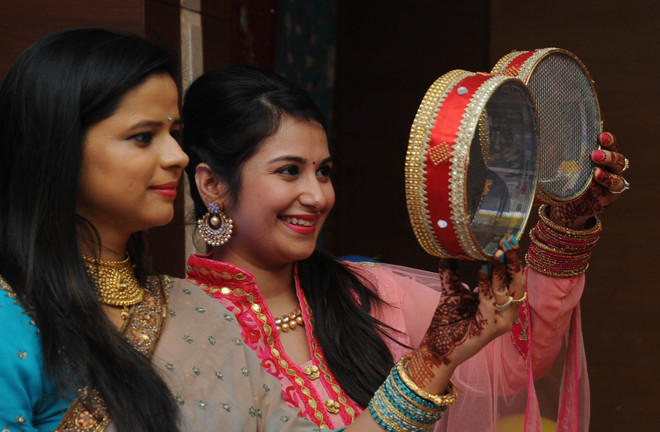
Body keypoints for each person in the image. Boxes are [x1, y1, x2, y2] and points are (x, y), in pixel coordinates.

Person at [0, 28, 525, 432]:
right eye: (142, 137)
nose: (175, 156)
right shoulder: (13, 320)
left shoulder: (194, 311)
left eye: (174, 134)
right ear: (58, 147)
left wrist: (434, 358)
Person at [181, 65, 629, 431]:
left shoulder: (370, 293)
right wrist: (426, 367)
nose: (318, 196)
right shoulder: (181, 329)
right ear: (213, 184)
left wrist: (567, 227)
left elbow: (515, 360)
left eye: (322, 171)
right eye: (288, 171)